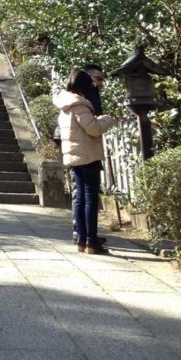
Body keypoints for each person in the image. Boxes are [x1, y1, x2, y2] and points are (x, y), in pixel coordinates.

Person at [54, 68, 116, 255]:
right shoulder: (79, 105)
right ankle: (91, 240)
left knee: (79, 198)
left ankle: (81, 239)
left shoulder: (64, 105)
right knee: (90, 198)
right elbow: (93, 129)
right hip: (87, 155)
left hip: (73, 156)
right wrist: (107, 119)